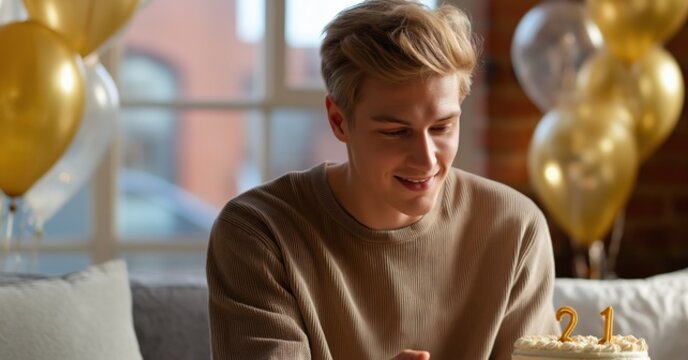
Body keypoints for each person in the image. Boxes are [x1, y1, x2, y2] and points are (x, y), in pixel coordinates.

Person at [206, 1, 558, 358]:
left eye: (442, 127)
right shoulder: (259, 232)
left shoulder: (514, 226)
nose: (427, 159)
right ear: (339, 121)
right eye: (395, 132)